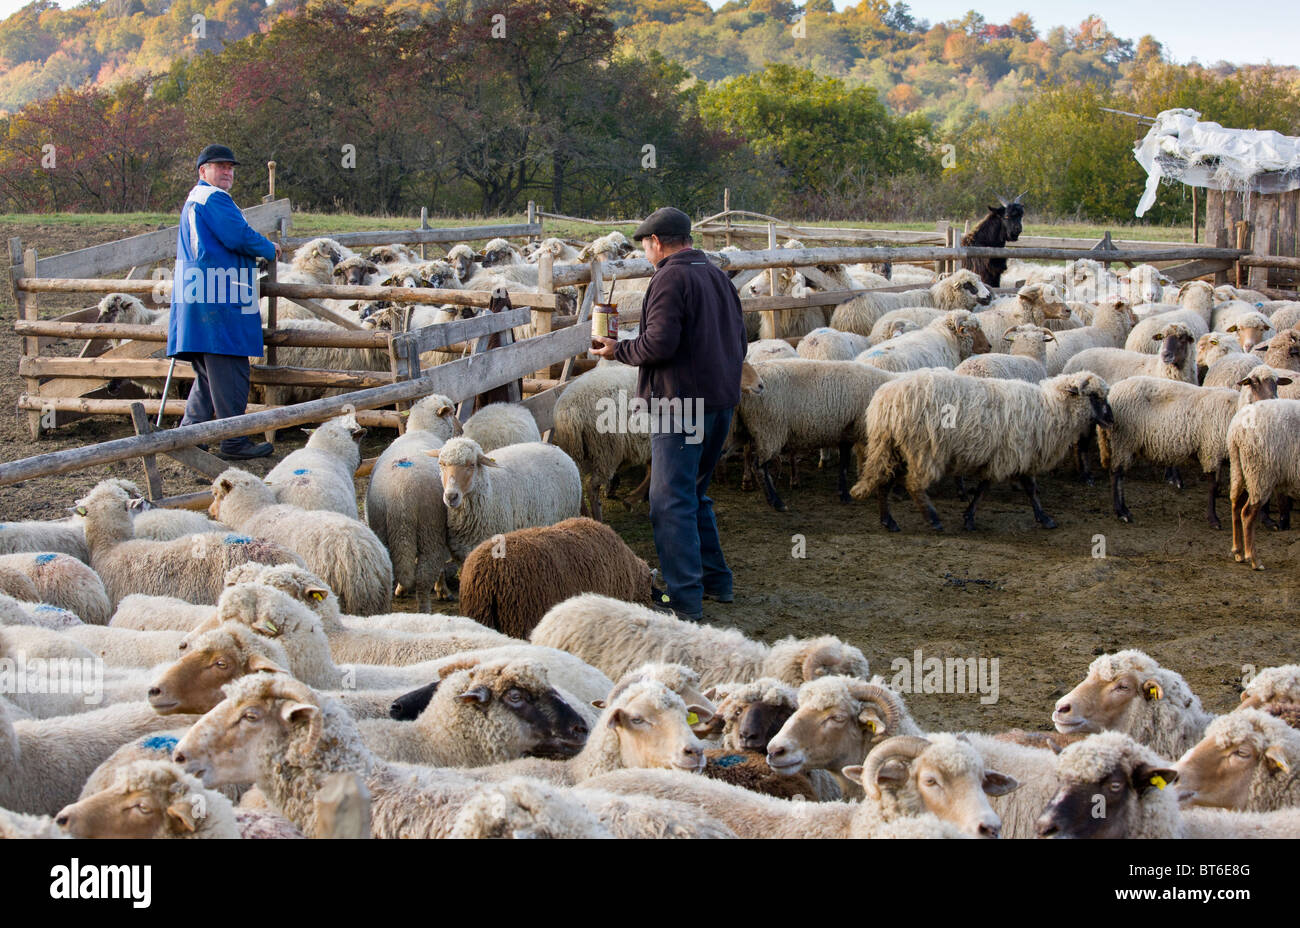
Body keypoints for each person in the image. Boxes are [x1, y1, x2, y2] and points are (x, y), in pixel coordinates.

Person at [591, 206, 747, 621]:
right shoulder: (716, 275)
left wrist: (617, 349)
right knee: (694, 493)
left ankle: (683, 600)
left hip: (681, 404)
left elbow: (658, 343)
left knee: (668, 501)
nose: (645, 252)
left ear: (657, 242)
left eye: (645, 244)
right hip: (720, 404)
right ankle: (717, 581)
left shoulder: (670, 277)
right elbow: (740, 339)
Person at [168, 144, 281, 460]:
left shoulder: (195, 199)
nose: (227, 171)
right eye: (220, 166)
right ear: (203, 171)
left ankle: (190, 436)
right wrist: (269, 248)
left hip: (200, 294)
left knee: (209, 375)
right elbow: (238, 236)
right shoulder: (213, 199)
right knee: (231, 370)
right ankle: (233, 440)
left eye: (230, 167)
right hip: (218, 297)